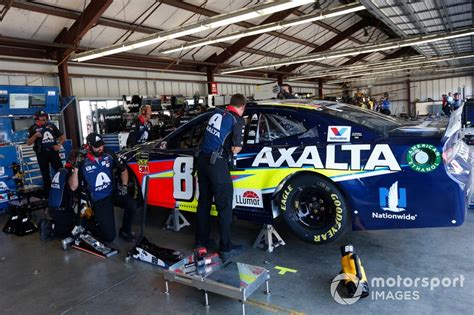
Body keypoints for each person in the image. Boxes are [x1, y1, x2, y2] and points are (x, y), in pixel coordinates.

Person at [196, 93, 246, 259]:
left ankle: (201, 242)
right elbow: (235, 149)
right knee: (224, 205)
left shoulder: (216, 113)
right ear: (242, 107)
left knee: (203, 202)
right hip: (217, 164)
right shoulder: (237, 119)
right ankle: (225, 246)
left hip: (202, 161)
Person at [68, 133, 136, 243]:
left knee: (131, 203)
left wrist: (124, 186)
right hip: (98, 199)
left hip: (112, 192)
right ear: (89, 146)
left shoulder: (108, 153)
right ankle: (88, 225)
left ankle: (125, 231)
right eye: (97, 146)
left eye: (101, 145)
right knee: (109, 237)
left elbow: (123, 170)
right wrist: (75, 167)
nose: (100, 148)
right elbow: (73, 186)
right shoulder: (82, 159)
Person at [38, 152, 79, 241]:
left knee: (76, 221)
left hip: (53, 209)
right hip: (61, 210)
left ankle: (56, 223)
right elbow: (73, 188)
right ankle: (49, 226)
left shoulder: (61, 170)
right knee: (73, 231)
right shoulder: (70, 174)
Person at [27, 110, 66, 197]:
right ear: (36, 118)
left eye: (45, 116)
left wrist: (59, 145)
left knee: (60, 171)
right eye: (42, 117)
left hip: (53, 152)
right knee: (45, 175)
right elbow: (29, 142)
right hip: (41, 154)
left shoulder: (52, 126)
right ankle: (48, 195)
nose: (44, 118)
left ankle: (64, 190)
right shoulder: (33, 128)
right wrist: (35, 135)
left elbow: (62, 137)